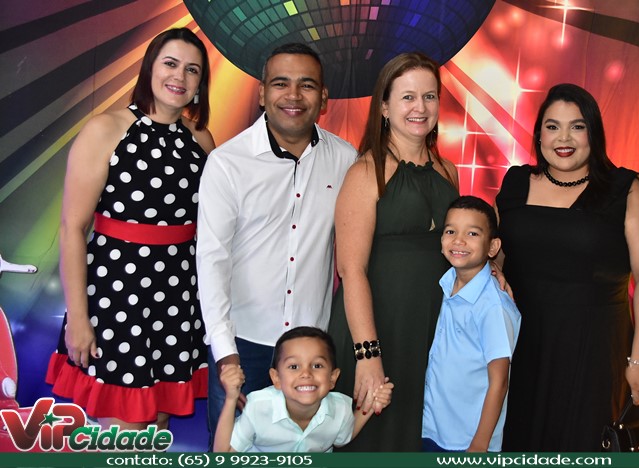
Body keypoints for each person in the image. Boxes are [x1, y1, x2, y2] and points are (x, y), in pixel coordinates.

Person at [46, 28, 215, 429]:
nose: (180, 76)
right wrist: (79, 319)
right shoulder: (106, 129)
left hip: (179, 299)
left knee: (156, 428)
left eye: (192, 70)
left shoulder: (202, 140)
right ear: (150, 68)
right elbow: (72, 228)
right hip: (116, 297)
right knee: (125, 434)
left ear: (200, 84)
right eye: (170, 63)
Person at [196, 43, 356, 446]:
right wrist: (225, 351)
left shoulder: (346, 159)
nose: (293, 95)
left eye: (307, 85)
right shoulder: (228, 163)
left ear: (323, 98)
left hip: (311, 354)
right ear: (262, 92)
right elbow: (211, 261)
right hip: (242, 345)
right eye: (281, 83)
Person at [496, 83, 639, 451]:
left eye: (577, 126)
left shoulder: (627, 190)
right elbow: (498, 262)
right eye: (552, 126)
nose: (563, 138)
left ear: (594, 134)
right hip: (524, 347)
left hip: (595, 352)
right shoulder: (515, 183)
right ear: (539, 134)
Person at [327, 52, 460, 451]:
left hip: (430, 330)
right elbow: (351, 270)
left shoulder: (448, 171)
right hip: (378, 328)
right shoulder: (366, 172)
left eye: (429, 96)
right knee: (373, 442)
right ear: (384, 107)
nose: (420, 107)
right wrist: (368, 355)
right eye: (408, 97)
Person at [422, 196, 520, 453]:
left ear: (493, 246)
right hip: (433, 427)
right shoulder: (445, 283)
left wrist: (479, 444)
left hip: (467, 440)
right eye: (450, 231)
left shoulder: (493, 306)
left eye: (472, 233)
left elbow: (499, 381)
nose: (459, 240)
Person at [213, 326, 394, 452]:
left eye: (317, 365)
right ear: (276, 378)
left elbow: (342, 438)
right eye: (294, 367)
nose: (306, 374)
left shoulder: (341, 409)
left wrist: (373, 402)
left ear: (333, 378)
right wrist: (231, 398)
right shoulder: (258, 407)